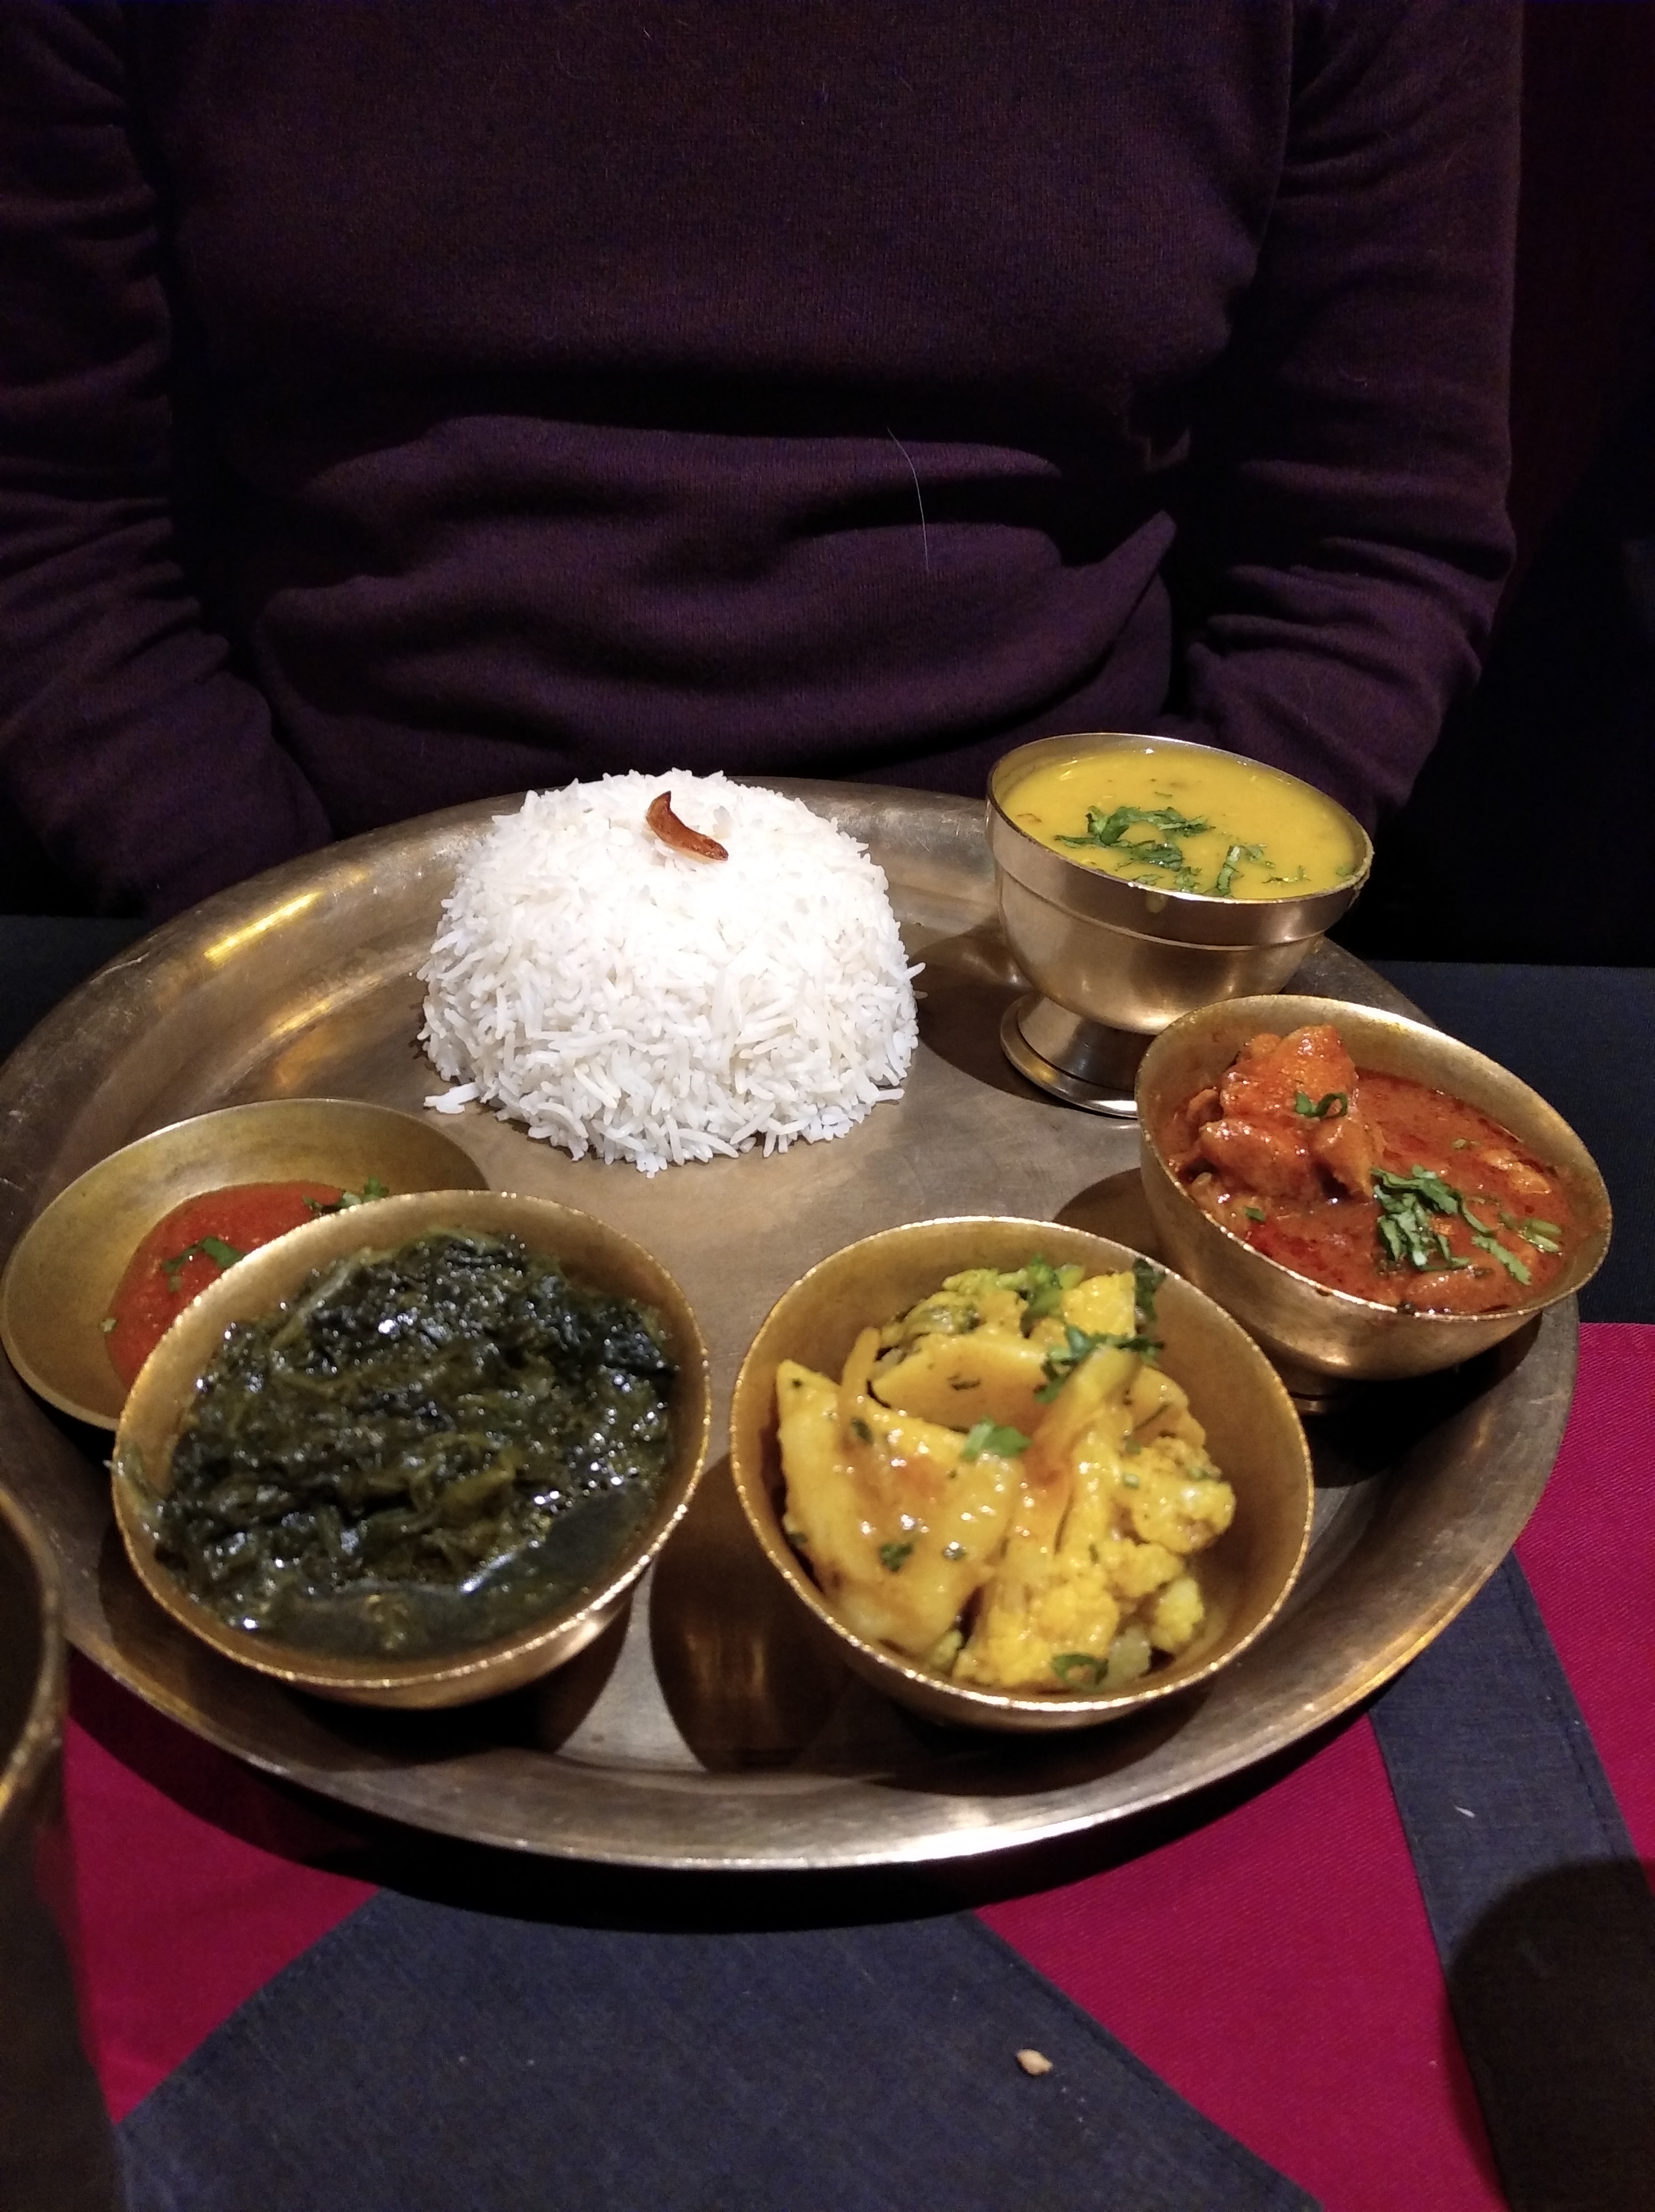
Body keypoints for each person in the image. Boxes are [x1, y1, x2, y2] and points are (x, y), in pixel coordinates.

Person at [0, 1, 1520, 919]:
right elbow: (47, 520)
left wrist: (1126, 943)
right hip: (335, 888)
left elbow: (1371, 548)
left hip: (1046, 945)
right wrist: (284, 951)